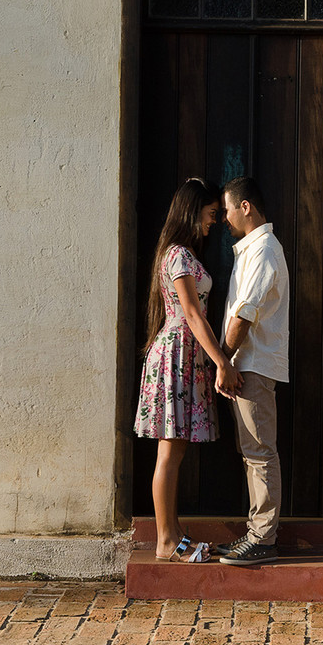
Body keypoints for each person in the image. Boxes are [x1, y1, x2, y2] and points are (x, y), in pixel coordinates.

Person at [135, 177, 242, 563]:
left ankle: (174, 534)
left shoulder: (182, 253)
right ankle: (166, 540)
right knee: (169, 452)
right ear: (192, 211)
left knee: (174, 451)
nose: (214, 220)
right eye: (211, 213)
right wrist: (222, 362)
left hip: (184, 355)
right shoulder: (178, 255)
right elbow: (193, 315)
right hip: (176, 354)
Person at [214, 177, 290, 566]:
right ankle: (256, 533)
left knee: (260, 452)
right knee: (252, 452)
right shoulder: (253, 249)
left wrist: (223, 359)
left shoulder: (263, 249)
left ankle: (263, 540)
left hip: (252, 365)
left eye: (226, 210)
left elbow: (244, 314)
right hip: (246, 365)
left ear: (245, 207)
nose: (223, 218)